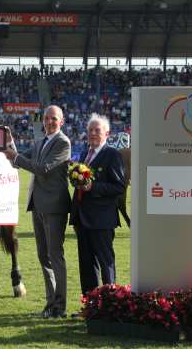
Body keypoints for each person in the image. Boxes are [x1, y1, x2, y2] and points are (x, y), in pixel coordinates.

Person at [2, 105, 71, 319]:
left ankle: (59, 306)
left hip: (54, 207)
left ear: (62, 121)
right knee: (44, 256)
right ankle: (50, 303)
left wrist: (15, 157)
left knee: (55, 256)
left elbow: (42, 169)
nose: (50, 122)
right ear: (43, 121)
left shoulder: (63, 142)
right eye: (47, 118)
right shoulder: (41, 141)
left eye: (54, 119)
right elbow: (18, 159)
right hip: (38, 206)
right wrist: (8, 142)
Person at [69, 113, 126, 298]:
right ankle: (90, 304)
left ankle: (110, 304)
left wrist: (93, 186)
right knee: (86, 264)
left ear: (107, 133)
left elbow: (118, 186)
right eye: (90, 130)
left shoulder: (112, 154)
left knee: (105, 262)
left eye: (97, 130)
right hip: (82, 218)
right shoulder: (85, 153)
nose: (93, 133)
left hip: (102, 219)